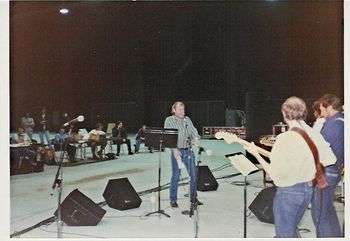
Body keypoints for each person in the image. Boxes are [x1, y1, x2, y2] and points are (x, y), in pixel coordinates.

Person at [244, 96, 336, 238]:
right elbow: (330, 159)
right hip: (307, 191)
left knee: (285, 235)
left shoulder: (284, 138)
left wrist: (256, 154)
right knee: (292, 231)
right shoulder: (312, 134)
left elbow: (273, 175)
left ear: (284, 114)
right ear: (304, 113)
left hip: (288, 194)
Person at [311, 94, 344, 237]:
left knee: (320, 215)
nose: (321, 113)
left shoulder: (334, 124)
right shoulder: (341, 121)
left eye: (322, 109)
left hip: (326, 172)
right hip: (333, 171)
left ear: (329, 107)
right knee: (328, 212)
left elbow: (320, 148)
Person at [164, 101, 202, 208]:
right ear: (174, 110)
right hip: (177, 151)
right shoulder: (169, 120)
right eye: (180, 109)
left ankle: (193, 198)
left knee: (193, 175)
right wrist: (174, 150)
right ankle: (173, 199)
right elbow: (168, 137)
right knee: (176, 175)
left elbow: (193, 130)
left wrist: (196, 137)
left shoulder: (187, 120)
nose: (182, 112)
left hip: (188, 150)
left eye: (183, 109)